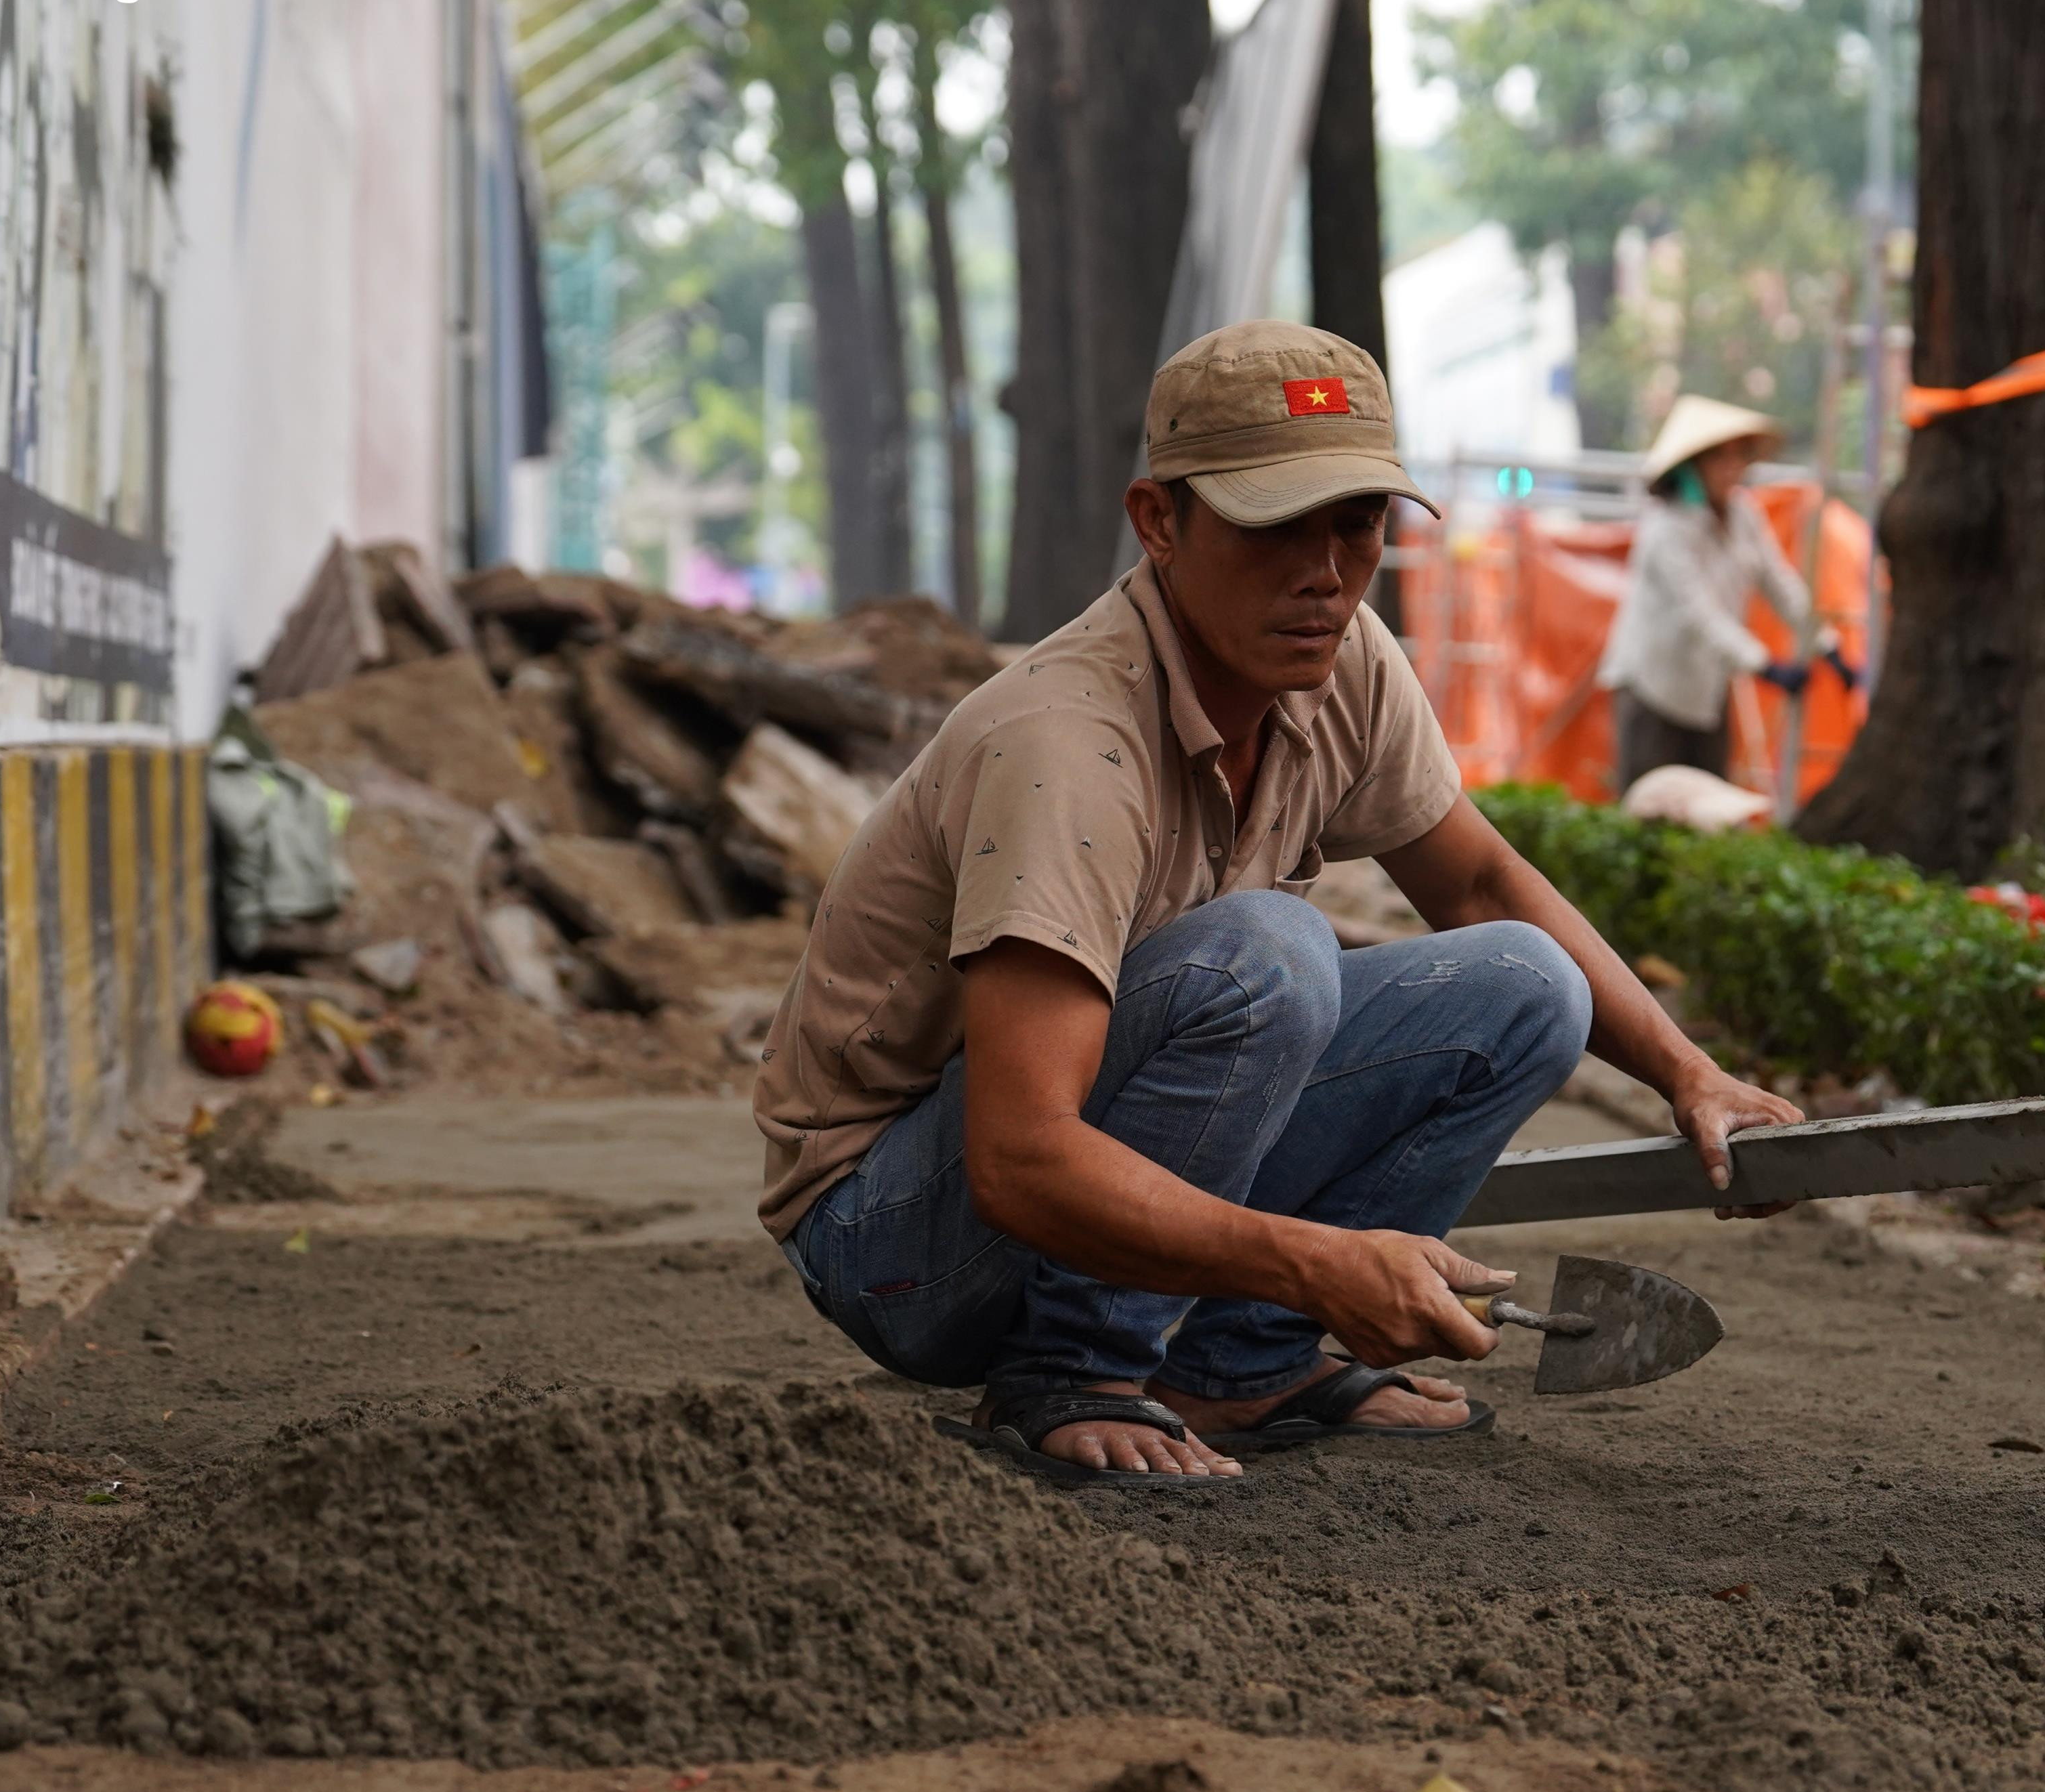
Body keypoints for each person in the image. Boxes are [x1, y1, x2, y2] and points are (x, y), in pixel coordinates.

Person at [753, 321, 1803, 1482]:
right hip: (898, 1236)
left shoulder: (1345, 658)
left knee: (1523, 983)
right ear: (1160, 522)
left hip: (1059, 1155)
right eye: (1274, 524)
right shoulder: (1066, 746)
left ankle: (1239, 1368)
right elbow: (1015, 1157)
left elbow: (1481, 881)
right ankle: (1075, 1369)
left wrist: (1690, 1076)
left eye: (1357, 523)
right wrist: (1317, 1259)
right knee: (1269, 954)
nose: (1326, 570)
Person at [1597, 393, 1828, 796]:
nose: (1732, 469)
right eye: (1720, 458)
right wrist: (1765, 665)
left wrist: (1828, 644)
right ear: (1693, 466)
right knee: (1650, 802)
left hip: (1707, 690)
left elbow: (1779, 582)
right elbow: (1699, 613)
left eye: (1740, 457)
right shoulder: (1665, 530)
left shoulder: (1743, 515)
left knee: (1712, 804)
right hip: (1653, 688)